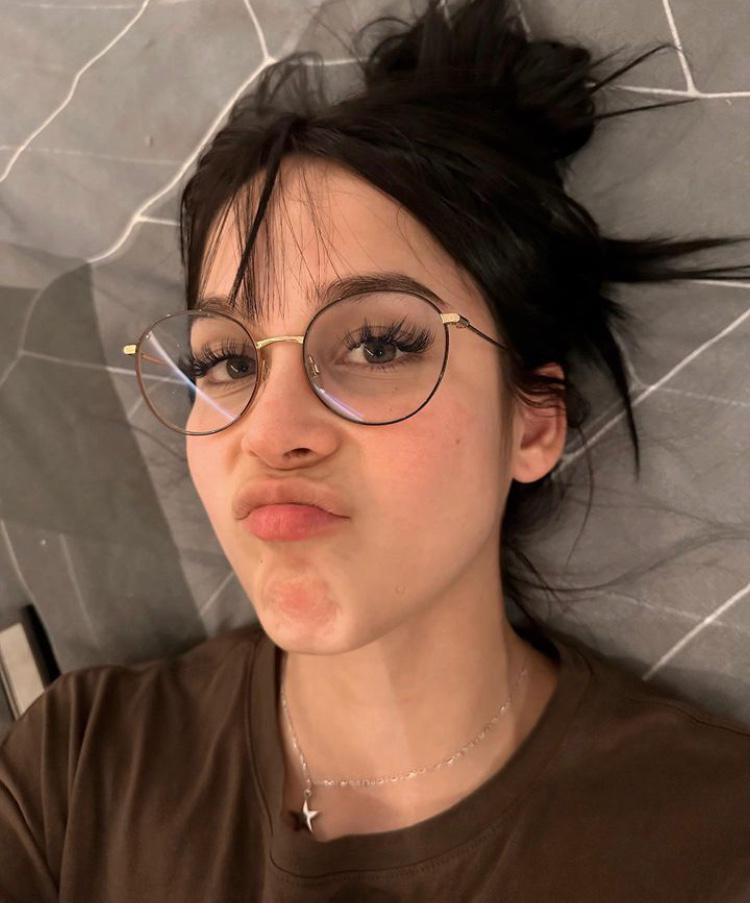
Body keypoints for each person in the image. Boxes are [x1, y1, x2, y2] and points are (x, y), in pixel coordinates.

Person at [2, 0, 750, 900]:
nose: (269, 431)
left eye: (378, 345)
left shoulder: (714, 840)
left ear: (533, 423)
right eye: (227, 361)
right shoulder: (76, 767)